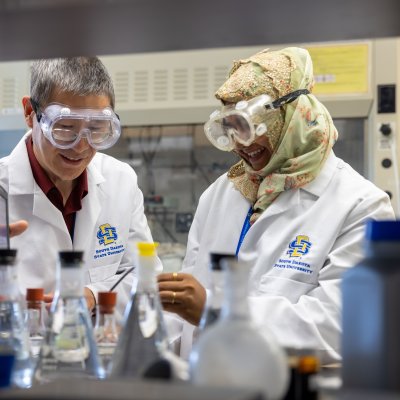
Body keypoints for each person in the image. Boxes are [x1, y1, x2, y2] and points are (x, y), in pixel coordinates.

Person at [157, 47, 395, 364]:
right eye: (230, 129)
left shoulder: (361, 205)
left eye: (250, 127)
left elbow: (340, 325)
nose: (241, 145)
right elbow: (184, 320)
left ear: (292, 115)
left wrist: (220, 310)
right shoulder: (220, 193)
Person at [0, 57, 157, 320]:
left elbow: (144, 275)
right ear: (30, 113)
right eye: (64, 128)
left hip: (98, 351)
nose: (81, 147)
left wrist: (94, 296)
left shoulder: (120, 180)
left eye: (96, 129)